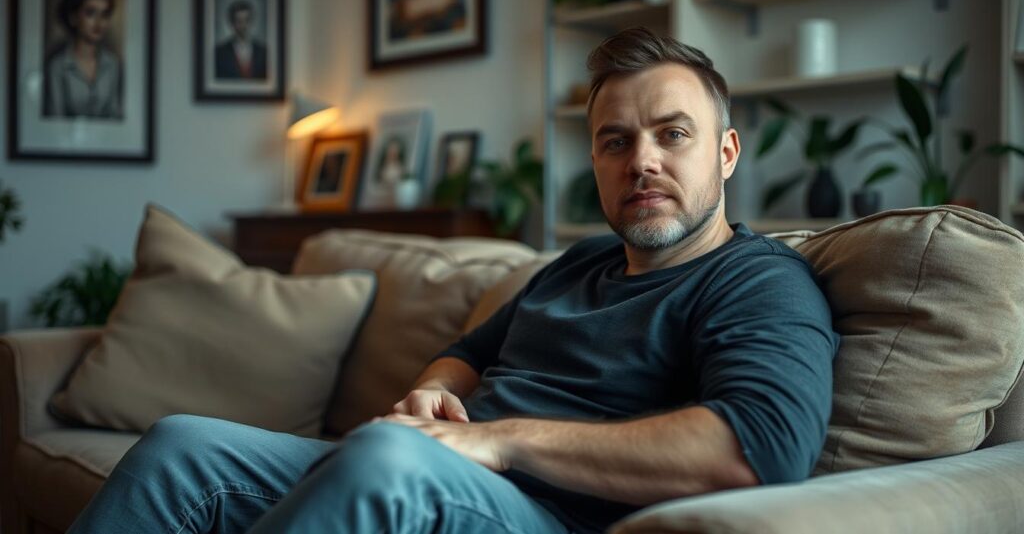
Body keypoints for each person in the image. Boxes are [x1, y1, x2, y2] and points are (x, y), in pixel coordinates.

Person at [68, 28, 839, 534]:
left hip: (548, 513)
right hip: (441, 470)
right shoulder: (576, 267)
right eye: (615, 141)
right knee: (180, 444)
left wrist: (501, 441)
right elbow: (467, 350)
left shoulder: (759, 280)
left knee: (383, 458)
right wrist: (433, 392)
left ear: (728, 152)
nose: (641, 160)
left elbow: (759, 447)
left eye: (673, 134)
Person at [44, 0, 123, 119]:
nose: (99, 22)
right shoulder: (57, 66)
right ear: (73, 17)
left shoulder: (113, 64)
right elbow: (54, 118)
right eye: (91, 13)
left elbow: (115, 114)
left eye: (104, 14)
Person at [214, 0, 268, 80]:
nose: (243, 25)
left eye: (246, 20)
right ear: (232, 23)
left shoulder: (262, 50)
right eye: (239, 21)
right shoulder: (220, 52)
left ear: (251, 22)